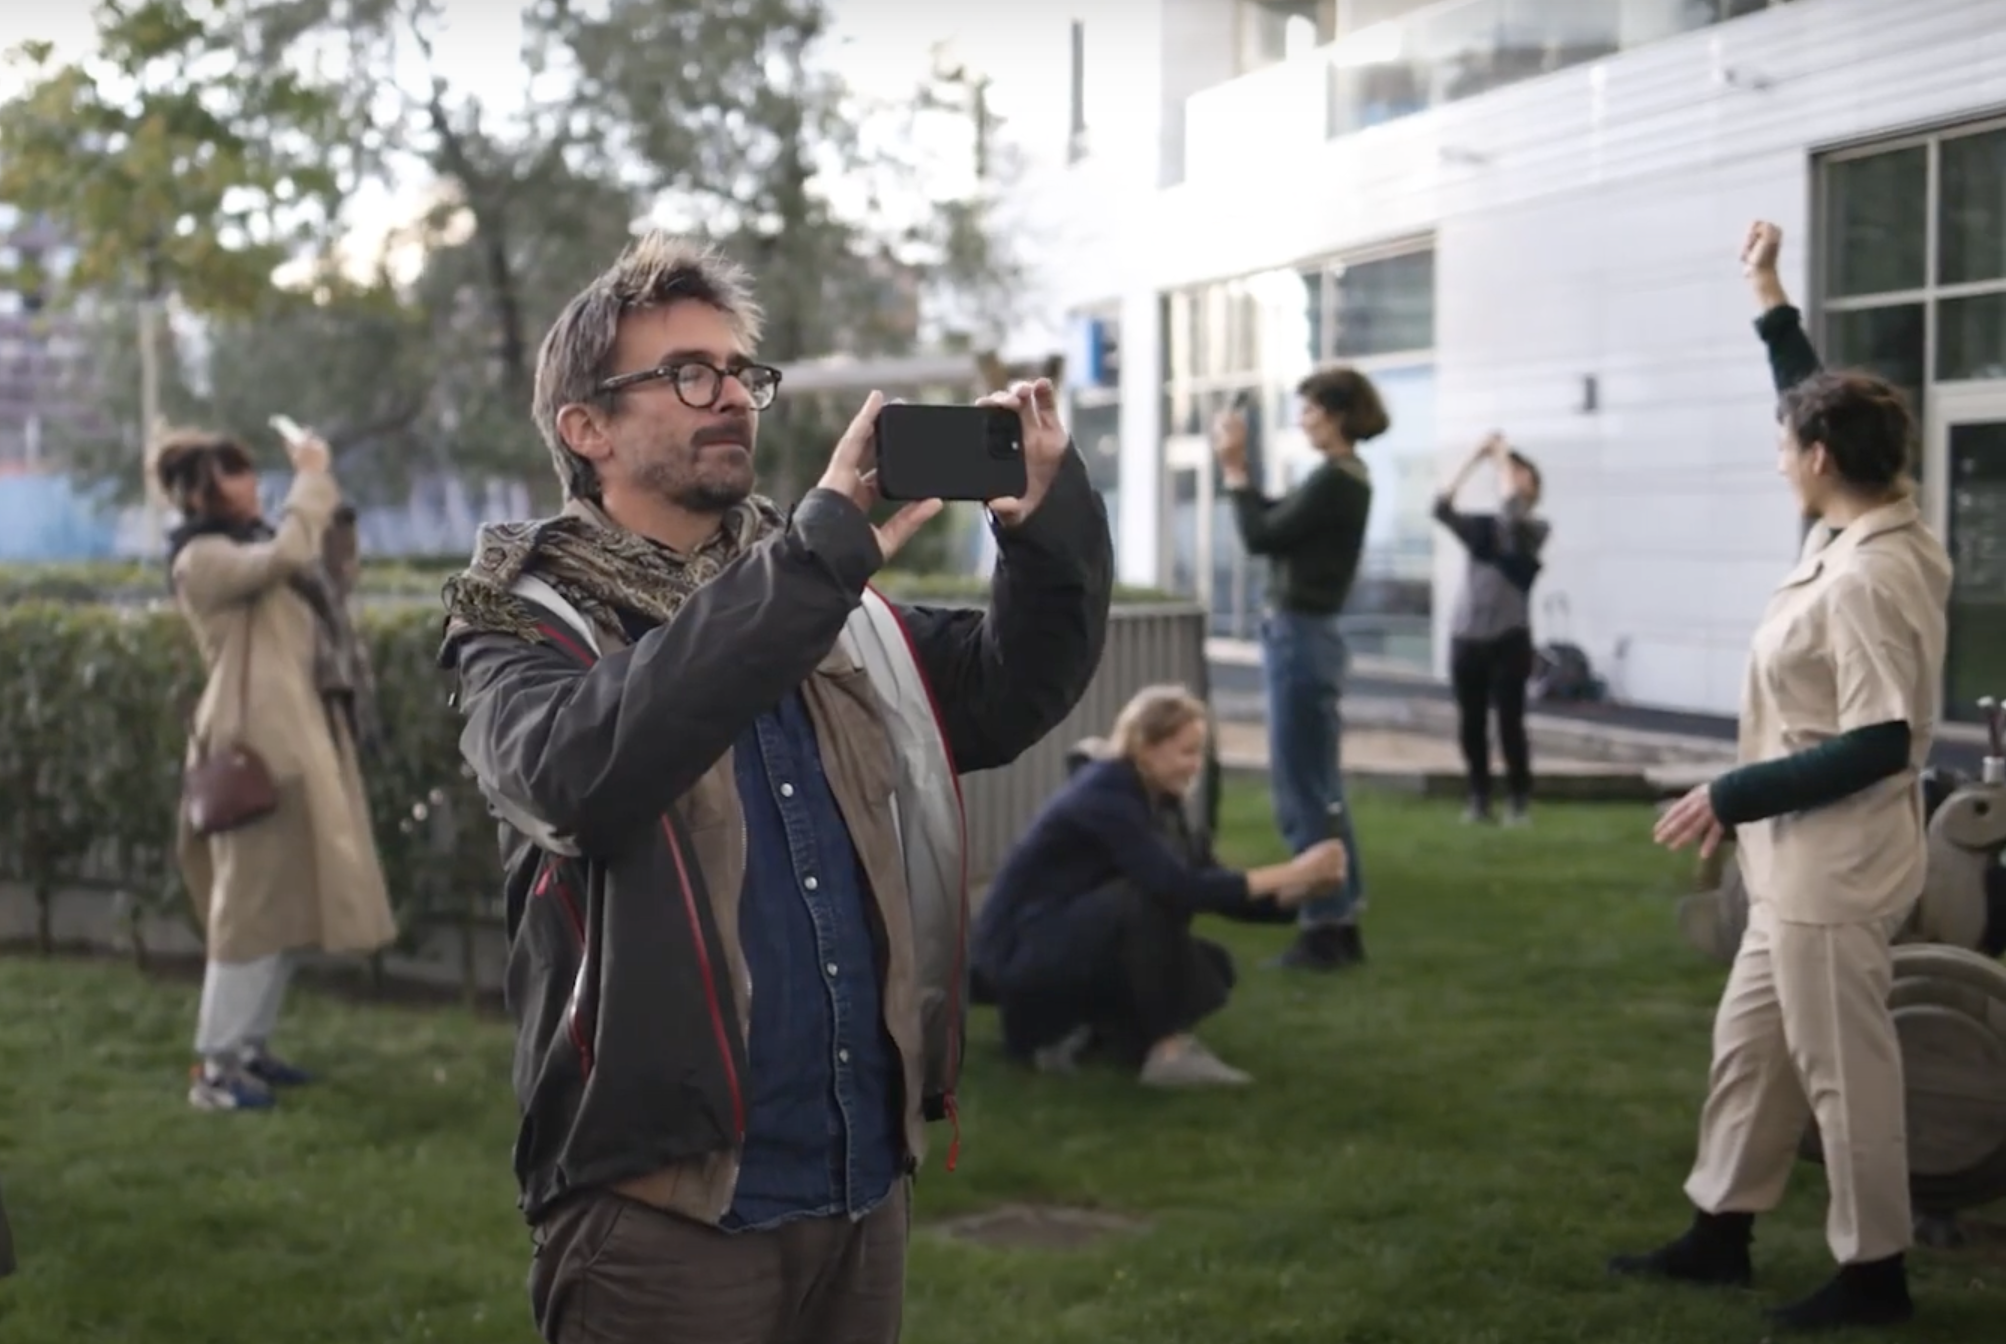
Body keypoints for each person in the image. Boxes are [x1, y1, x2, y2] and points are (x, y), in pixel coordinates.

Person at [440, 231, 1112, 1344]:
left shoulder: (816, 596)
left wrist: (1046, 529)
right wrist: (813, 561)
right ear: (586, 428)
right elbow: (573, 776)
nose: (729, 398)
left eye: (739, 372)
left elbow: (1008, 690)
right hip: (662, 1212)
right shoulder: (524, 617)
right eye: (685, 374)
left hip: (859, 1181)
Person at [1608, 221, 1952, 1333]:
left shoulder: (1865, 579)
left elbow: (1879, 741)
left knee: (1844, 1075)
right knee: (1751, 1052)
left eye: (1785, 444)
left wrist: (1728, 794)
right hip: (1795, 864)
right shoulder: (1862, 521)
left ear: (1817, 460)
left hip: (1832, 870)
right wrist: (1767, 294)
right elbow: (1811, 398)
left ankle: (1874, 1275)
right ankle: (1718, 1233)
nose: (1777, 454)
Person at [157, 427, 397, 1112]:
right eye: (233, 473)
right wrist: (312, 478)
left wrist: (329, 505)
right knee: (249, 909)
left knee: (285, 900)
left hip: (297, 734)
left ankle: (249, 1048)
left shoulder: (255, 541)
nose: (250, 481)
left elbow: (328, 576)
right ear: (200, 493)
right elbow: (288, 553)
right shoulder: (201, 557)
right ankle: (215, 1068)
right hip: (254, 747)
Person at [971, 686, 1347, 1087]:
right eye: (1187, 752)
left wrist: (1304, 888)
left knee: (1209, 968)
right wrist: (1291, 872)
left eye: (1200, 753)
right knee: (1144, 899)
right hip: (1018, 952)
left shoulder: (1160, 803)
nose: (1195, 766)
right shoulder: (1105, 793)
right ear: (1145, 748)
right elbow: (1175, 886)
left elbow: (1212, 884)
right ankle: (1165, 1051)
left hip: (1057, 941)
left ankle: (1073, 1034)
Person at [1214, 367, 1381, 971]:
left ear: (1335, 415)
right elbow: (1277, 521)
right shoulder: (1344, 479)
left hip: (1300, 638)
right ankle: (1341, 914)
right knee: (1320, 785)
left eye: (1309, 410)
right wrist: (1242, 474)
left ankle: (1324, 925)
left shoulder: (1335, 481)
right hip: (1312, 637)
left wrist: (1234, 467)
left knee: (1301, 788)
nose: (1303, 420)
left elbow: (1259, 535)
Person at [1433, 432, 1549, 825]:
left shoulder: (1535, 530)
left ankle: (1518, 800)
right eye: (1510, 473)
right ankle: (1479, 798)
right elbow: (1441, 507)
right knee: (1471, 724)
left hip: (1509, 639)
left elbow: (1513, 516)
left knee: (1510, 724)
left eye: (1521, 474)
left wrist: (1501, 458)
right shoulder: (1482, 529)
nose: (1512, 477)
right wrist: (1473, 458)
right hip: (1466, 636)